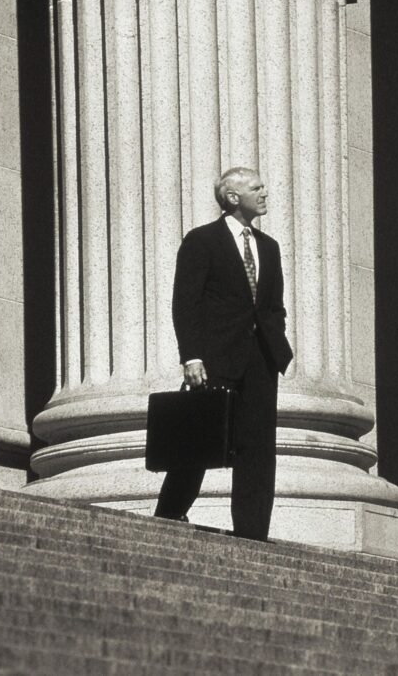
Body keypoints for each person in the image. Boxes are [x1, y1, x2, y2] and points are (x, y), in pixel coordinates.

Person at [154, 166, 293, 541]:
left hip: (261, 359)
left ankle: (252, 533)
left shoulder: (269, 247)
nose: (265, 192)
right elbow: (186, 302)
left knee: (258, 449)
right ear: (232, 197)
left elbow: (273, 305)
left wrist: (277, 340)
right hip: (215, 357)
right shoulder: (203, 241)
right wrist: (192, 355)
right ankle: (169, 513)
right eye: (256, 187)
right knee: (199, 439)